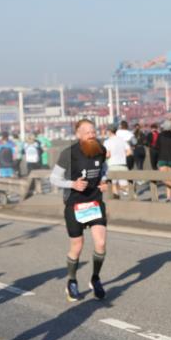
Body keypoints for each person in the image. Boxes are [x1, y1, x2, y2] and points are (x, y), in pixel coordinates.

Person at [50, 119, 109, 302]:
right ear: (78, 135)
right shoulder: (69, 153)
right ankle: (72, 281)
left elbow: (103, 169)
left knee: (100, 243)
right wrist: (72, 184)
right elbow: (54, 178)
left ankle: (95, 278)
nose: (92, 135)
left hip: (94, 202)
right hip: (74, 204)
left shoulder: (100, 150)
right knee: (77, 246)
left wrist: (103, 181)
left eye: (93, 131)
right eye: (87, 132)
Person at [103, 125, 132, 198]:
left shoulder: (107, 142)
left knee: (113, 184)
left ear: (109, 132)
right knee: (124, 185)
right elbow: (129, 152)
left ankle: (117, 200)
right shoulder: (122, 140)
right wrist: (121, 156)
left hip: (112, 165)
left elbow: (108, 154)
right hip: (123, 164)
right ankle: (131, 196)